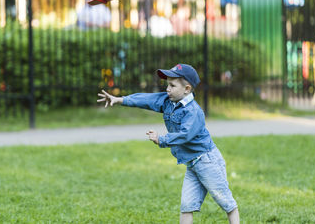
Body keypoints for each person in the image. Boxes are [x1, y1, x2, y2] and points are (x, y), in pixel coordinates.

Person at [97, 64, 240, 224]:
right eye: (167, 84)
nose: (168, 89)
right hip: (192, 164)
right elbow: (147, 99)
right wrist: (120, 99)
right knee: (186, 205)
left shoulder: (193, 112)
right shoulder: (168, 102)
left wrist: (162, 139)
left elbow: (184, 135)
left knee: (225, 201)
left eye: (172, 85)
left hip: (207, 162)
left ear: (187, 89)